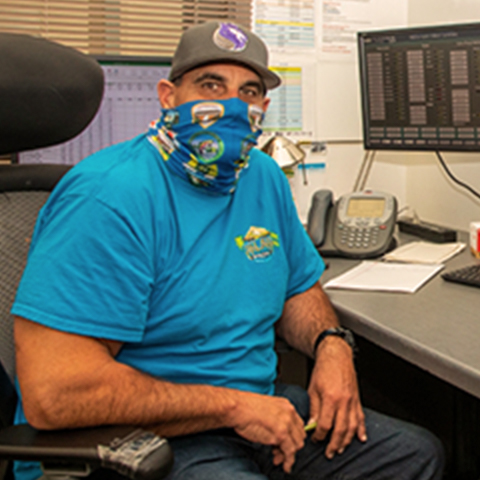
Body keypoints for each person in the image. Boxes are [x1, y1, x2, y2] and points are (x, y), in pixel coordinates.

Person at [11, 21, 444, 480]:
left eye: (249, 92)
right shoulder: (109, 195)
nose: (232, 106)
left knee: (415, 455)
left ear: (264, 106)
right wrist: (234, 407)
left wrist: (333, 348)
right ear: (168, 95)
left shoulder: (261, 175)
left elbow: (298, 288)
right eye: (211, 85)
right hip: (142, 434)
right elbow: (55, 394)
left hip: (253, 414)